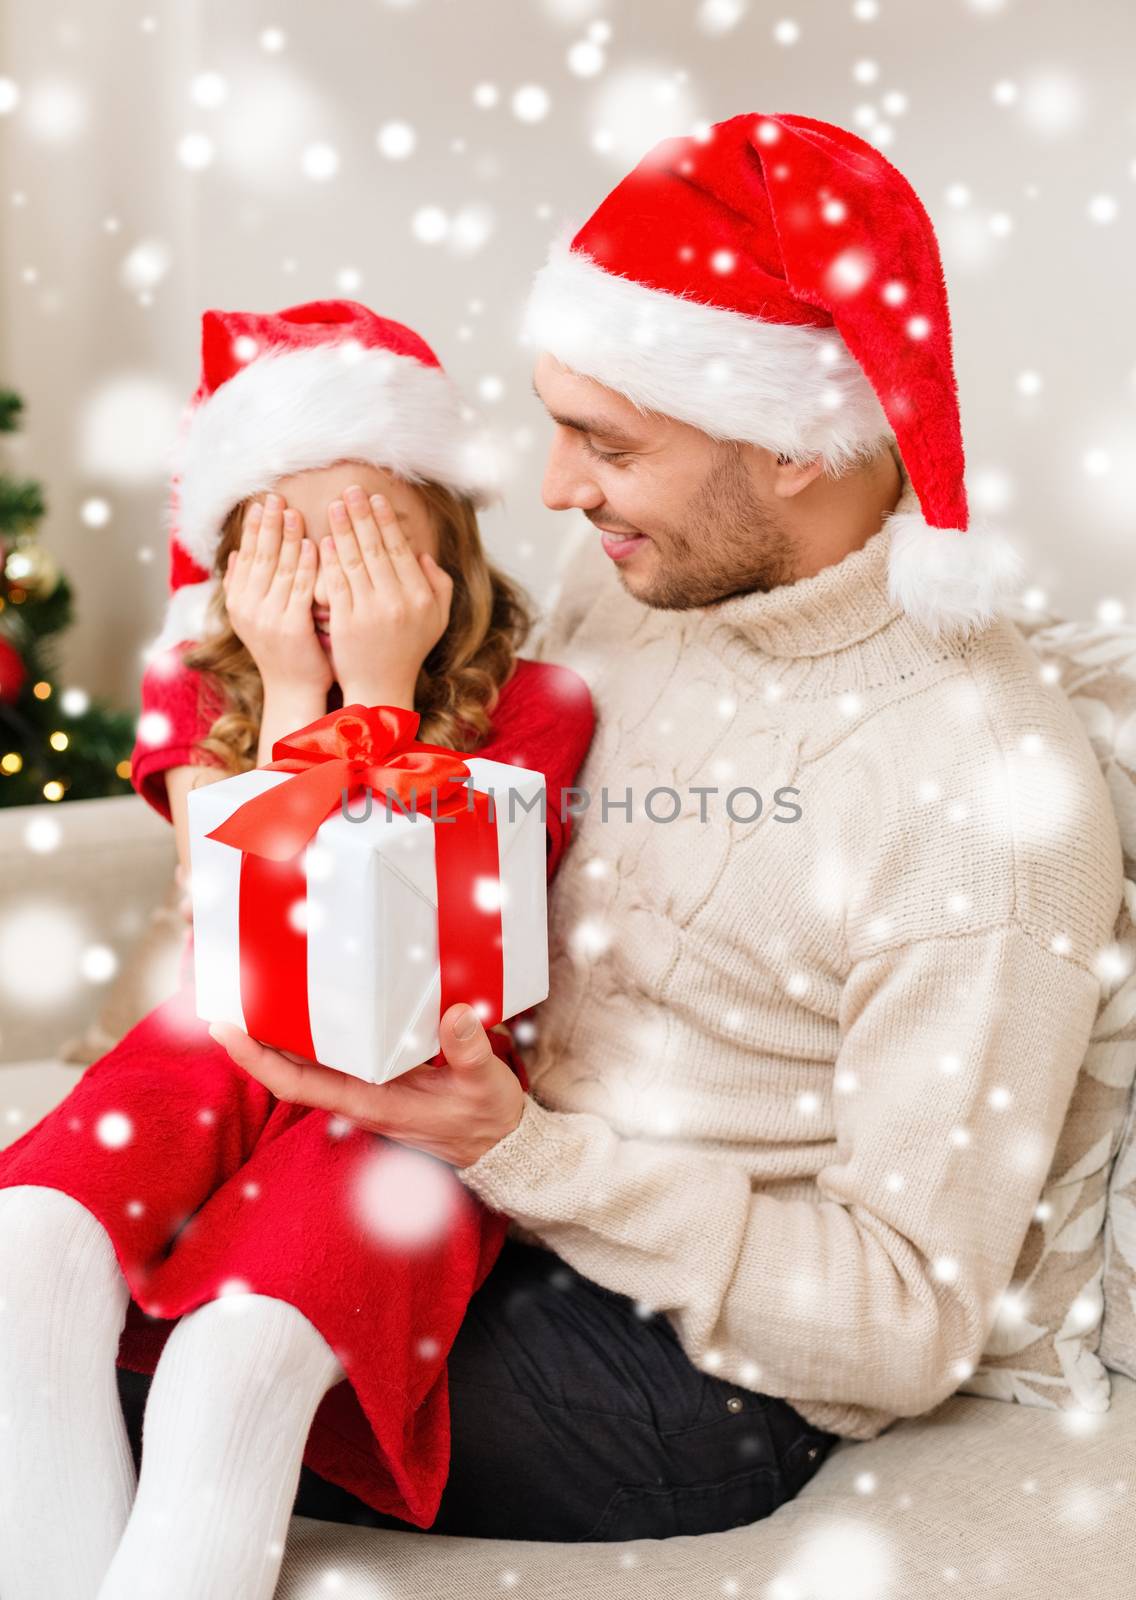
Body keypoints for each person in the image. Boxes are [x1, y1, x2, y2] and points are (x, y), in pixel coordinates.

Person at [207, 113, 1125, 1545]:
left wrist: (520, 1148)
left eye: (606, 444)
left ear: (796, 448)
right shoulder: (644, 580)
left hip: (688, 1364)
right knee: (54, 1266)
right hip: (471, 1197)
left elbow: (903, 1327)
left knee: (161, 1374)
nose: (559, 489)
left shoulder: (984, 804)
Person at [0, 299, 596, 1600]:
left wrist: (378, 699)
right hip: (225, 1037)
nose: (332, 583)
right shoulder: (201, 688)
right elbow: (254, 944)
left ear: (447, 552)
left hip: (406, 1092)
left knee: (240, 1354)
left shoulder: (539, 709)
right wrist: (282, 696)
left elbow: (385, 974)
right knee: (27, 1249)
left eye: (374, 536)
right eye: (286, 540)